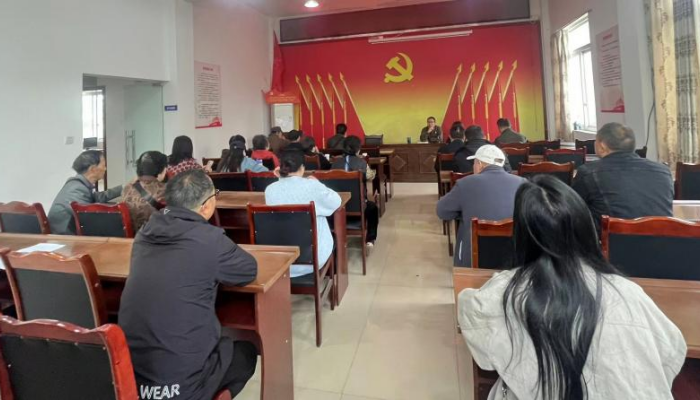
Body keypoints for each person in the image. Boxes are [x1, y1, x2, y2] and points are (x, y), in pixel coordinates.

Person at [458, 175, 686, 399]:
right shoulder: (628, 293)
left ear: (521, 234)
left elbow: (482, 349)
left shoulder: (505, 292)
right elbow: (672, 352)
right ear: (586, 228)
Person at [119, 169, 258, 400]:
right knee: (247, 352)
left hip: (132, 381)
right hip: (182, 389)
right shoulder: (209, 239)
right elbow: (248, 270)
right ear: (206, 205)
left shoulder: (144, 234)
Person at [573, 123, 674, 230]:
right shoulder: (664, 171)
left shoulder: (589, 172)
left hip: (611, 239)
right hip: (662, 238)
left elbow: (573, 209)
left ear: (602, 146)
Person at [437, 145, 525, 266]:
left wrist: (462, 212)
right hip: (515, 260)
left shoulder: (465, 183)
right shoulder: (522, 183)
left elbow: (442, 211)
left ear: (479, 164)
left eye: (474, 163)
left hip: (473, 261)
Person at [265, 150, 341, 277]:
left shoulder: (270, 190)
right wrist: (318, 183)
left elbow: (284, 190)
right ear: (302, 168)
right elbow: (336, 202)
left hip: (283, 259)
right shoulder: (312, 186)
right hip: (313, 258)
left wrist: (280, 178)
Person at [48, 150, 123, 235]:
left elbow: (98, 197)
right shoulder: (76, 189)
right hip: (64, 237)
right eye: (103, 165)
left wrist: (123, 188)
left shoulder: (79, 185)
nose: (105, 169)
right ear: (93, 169)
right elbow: (88, 218)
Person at [331, 136, 380, 246]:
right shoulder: (362, 163)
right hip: (359, 205)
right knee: (373, 208)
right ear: (358, 149)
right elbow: (370, 176)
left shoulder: (335, 164)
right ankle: (370, 239)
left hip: (338, 204)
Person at [121, 151, 168, 232]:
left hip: (133, 237)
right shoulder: (166, 190)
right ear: (162, 170)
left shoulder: (127, 189)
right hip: (156, 237)